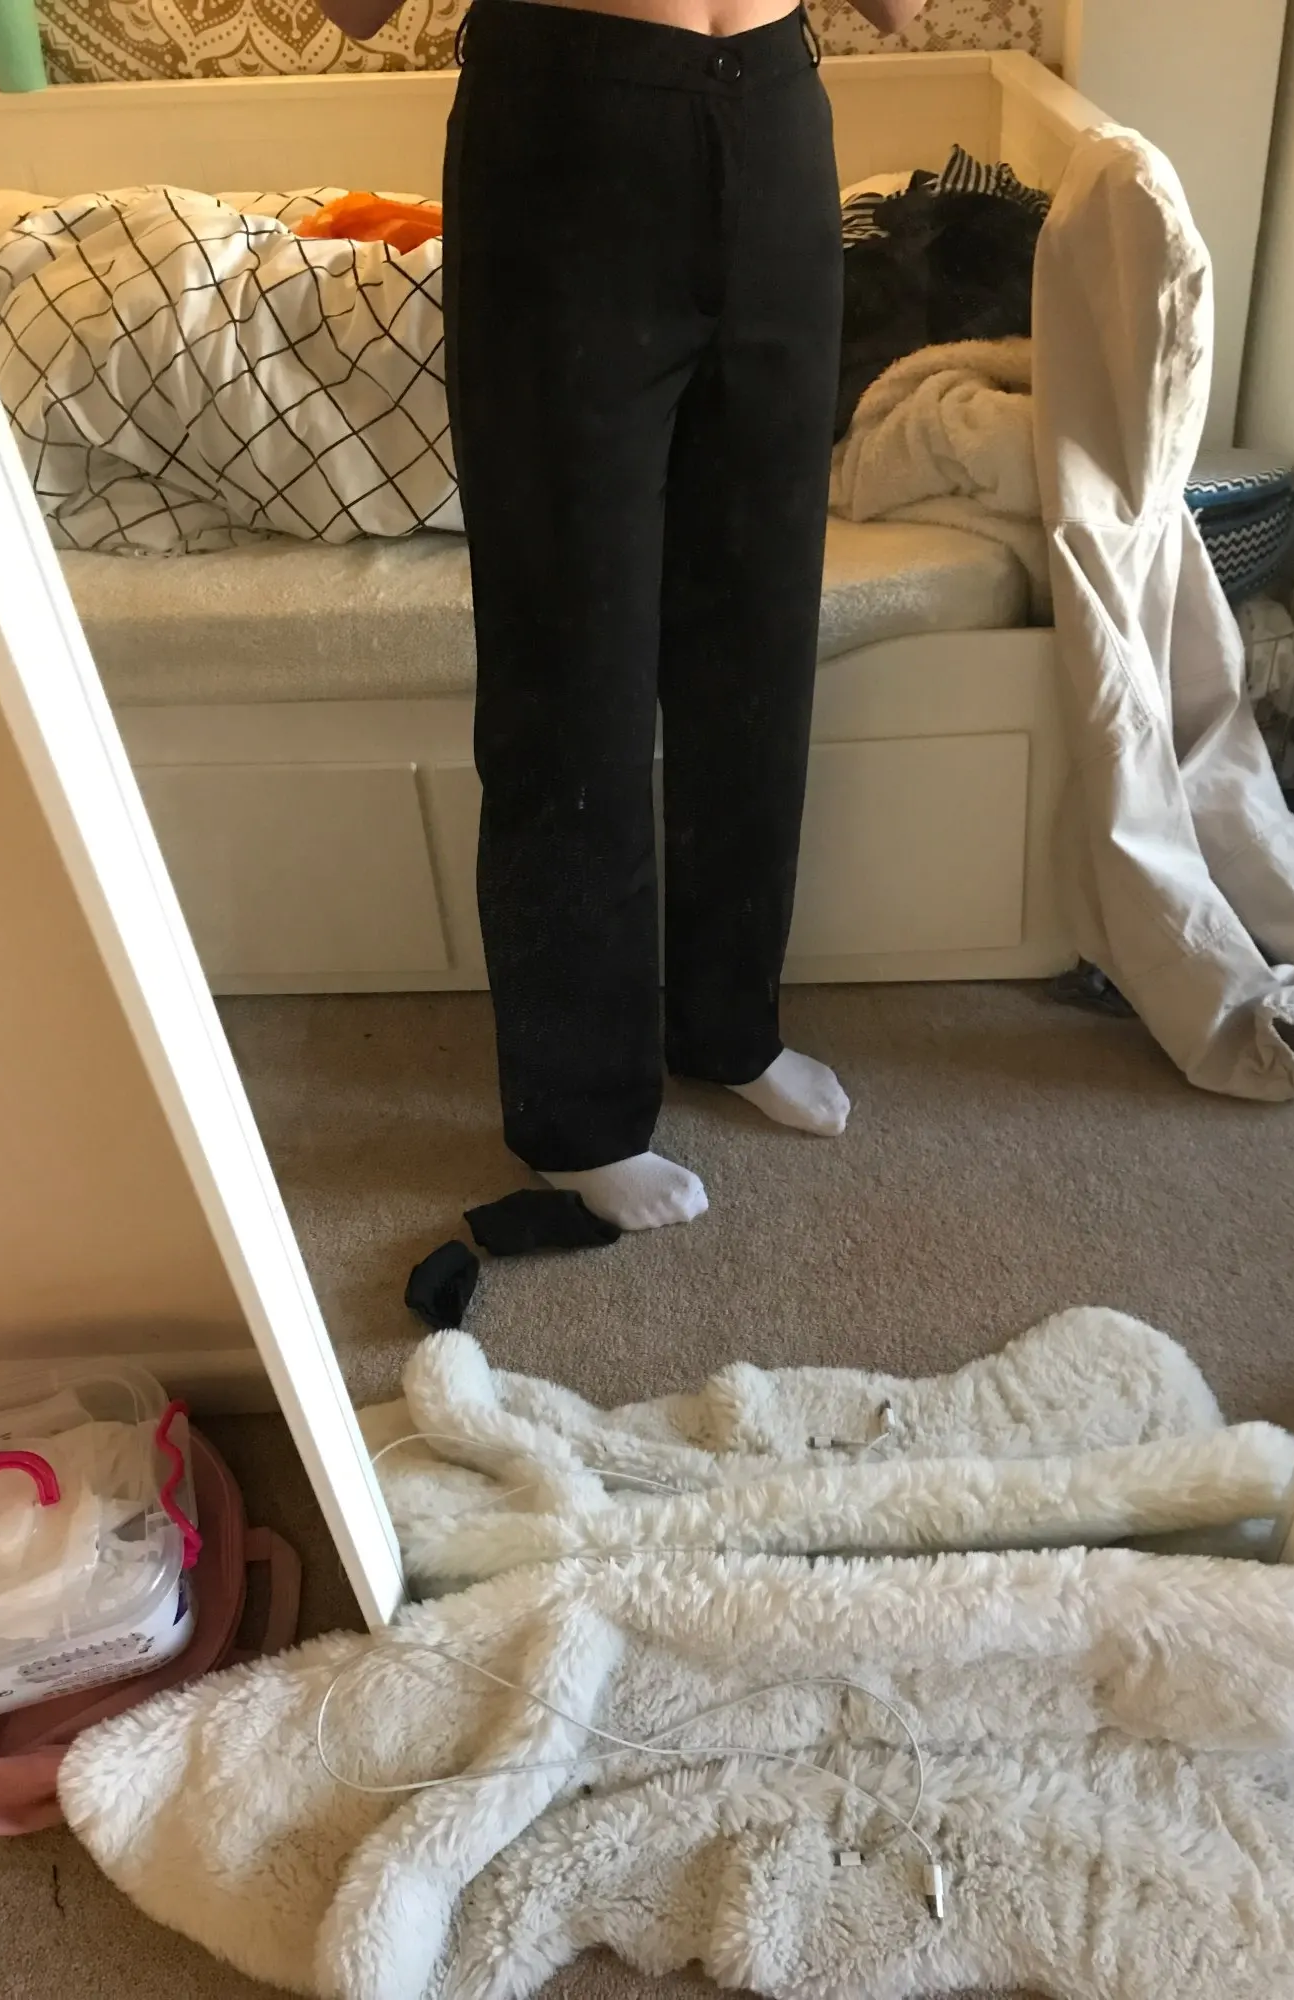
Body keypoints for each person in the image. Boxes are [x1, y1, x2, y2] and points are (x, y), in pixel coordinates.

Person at [318, 0, 926, 1228]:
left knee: (759, 643)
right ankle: (578, 1112)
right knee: (570, 663)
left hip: (775, 121)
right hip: (565, 135)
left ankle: (730, 1023)